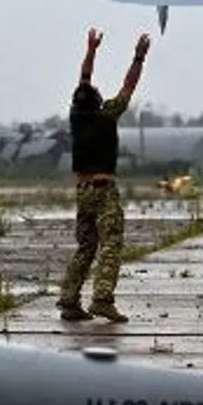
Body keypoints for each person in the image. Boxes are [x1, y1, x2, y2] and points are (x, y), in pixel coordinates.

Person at [56, 27, 151, 323]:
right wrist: (138, 57)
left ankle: (69, 300)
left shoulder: (76, 116)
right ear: (98, 100)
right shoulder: (107, 115)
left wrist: (91, 50)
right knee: (111, 242)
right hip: (103, 189)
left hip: (82, 191)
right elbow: (128, 85)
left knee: (86, 246)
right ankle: (102, 299)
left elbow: (84, 78)